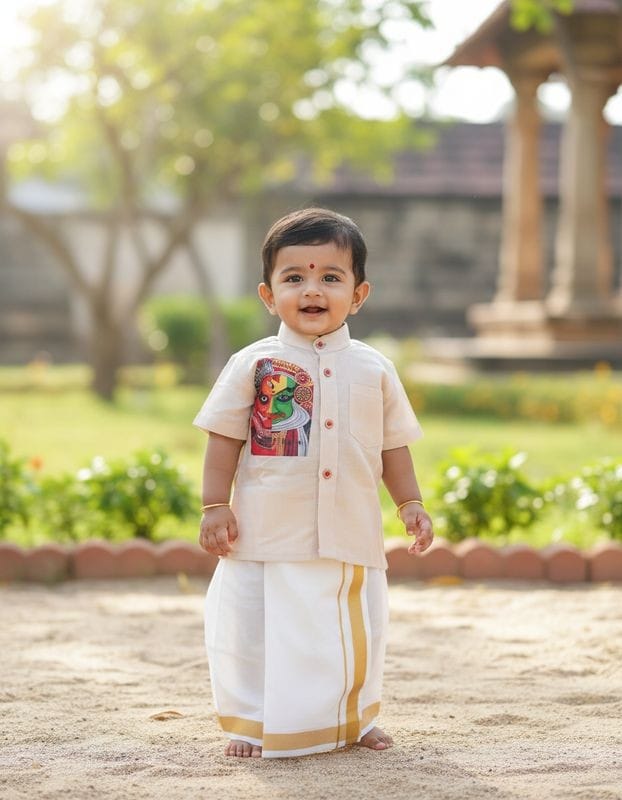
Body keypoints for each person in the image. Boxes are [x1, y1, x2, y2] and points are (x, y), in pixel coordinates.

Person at [193, 207, 434, 759]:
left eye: (331, 277)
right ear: (266, 293)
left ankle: (355, 719)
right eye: (294, 277)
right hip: (265, 532)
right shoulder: (253, 364)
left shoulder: (374, 369)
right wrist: (214, 505)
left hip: (348, 532)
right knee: (254, 630)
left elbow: (393, 446)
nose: (312, 290)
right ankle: (250, 722)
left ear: (359, 293)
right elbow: (223, 438)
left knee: (354, 632)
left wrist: (411, 503)